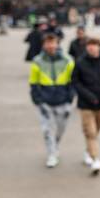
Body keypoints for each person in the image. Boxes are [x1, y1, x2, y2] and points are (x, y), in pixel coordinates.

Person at [29, 33, 75, 168]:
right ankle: (52, 153)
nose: (50, 46)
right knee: (47, 130)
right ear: (44, 45)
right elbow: (33, 82)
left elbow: (73, 80)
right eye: (47, 43)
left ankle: (55, 144)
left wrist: (70, 97)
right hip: (45, 101)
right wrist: (37, 100)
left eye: (53, 42)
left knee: (61, 128)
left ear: (57, 44)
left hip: (63, 100)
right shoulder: (37, 61)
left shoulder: (68, 60)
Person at [71, 38, 100, 174]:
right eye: (89, 45)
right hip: (86, 104)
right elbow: (76, 83)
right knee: (91, 132)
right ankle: (95, 159)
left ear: (99, 47)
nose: (91, 48)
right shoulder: (79, 63)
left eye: (94, 45)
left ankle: (88, 151)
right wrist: (90, 97)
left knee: (98, 128)